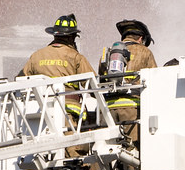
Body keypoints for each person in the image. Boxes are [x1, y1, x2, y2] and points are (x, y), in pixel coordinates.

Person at [17, 14, 96, 156]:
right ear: (72, 37)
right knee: (73, 154)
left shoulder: (37, 55)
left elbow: (20, 80)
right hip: (68, 113)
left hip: (40, 114)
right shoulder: (75, 57)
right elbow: (94, 85)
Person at [99, 19, 157, 148]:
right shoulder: (145, 52)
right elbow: (155, 81)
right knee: (132, 151)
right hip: (132, 108)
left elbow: (100, 81)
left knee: (105, 148)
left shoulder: (108, 53)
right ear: (141, 38)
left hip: (108, 109)